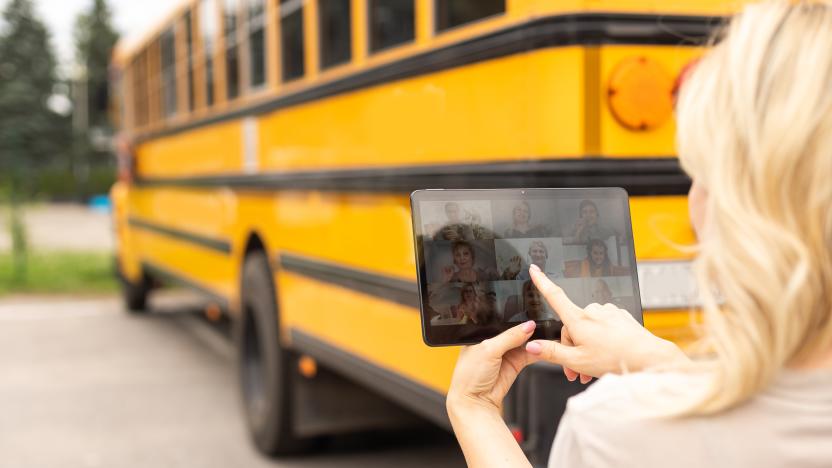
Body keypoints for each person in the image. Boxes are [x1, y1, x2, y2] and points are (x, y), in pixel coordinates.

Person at [444, 3, 832, 467]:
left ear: (730, 209)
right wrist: (662, 361)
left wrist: (475, 409)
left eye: (697, 174)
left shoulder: (618, 431)